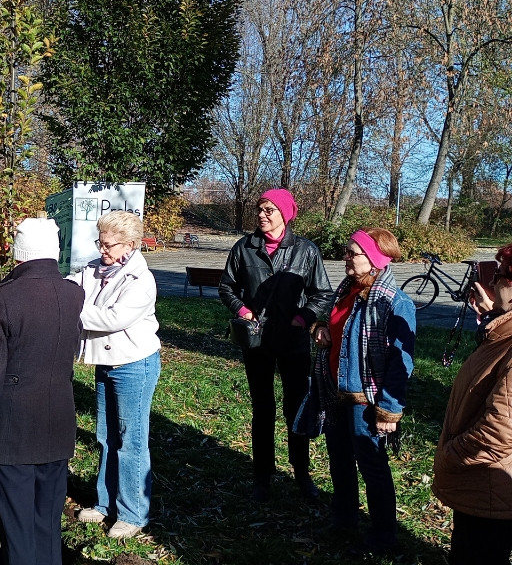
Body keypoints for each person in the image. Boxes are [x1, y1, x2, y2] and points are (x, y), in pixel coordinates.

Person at [0, 217, 85, 565]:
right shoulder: (73, 293)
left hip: (12, 428)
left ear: (18, 254)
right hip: (58, 423)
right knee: (47, 526)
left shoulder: (3, 298)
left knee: (17, 530)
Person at [218, 188, 332, 501]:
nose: (262, 215)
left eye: (269, 210)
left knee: (296, 408)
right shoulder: (244, 248)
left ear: (285, 214)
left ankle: (301, 473)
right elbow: (227, 287)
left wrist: (303, 318)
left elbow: (323, 293)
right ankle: (262, 475)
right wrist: (243, 310)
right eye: (260, 209)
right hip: (256, 342)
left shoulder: (306, 250)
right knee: (263, 408)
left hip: (293, 342)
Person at [309, 228, 415, 554]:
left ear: (375, 260)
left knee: (372, 466)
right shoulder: (347, 290)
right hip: (335, 390)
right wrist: (321, 328)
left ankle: (383, 536)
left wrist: (389, 409)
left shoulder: (395, 303)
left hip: (366, 400)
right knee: (339, 460)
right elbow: (335, 324)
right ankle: (344, 520)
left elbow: (402, 363)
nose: (346, 257)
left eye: (353, 252)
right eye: (348, 251)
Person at [66, 210, 161, 539]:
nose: (102, 249)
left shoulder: (140, 280)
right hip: (107, 363)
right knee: (107, 437)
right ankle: (106, 504)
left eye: (109, 245)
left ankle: (134, 513)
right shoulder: (94, 268)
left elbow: (111, 319)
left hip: (134, 364)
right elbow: (69, 286)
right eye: (100, 242)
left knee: (131, 441)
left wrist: (67, 308)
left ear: (131, 245)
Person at [433, 244, 512, 564]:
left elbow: (501, 430)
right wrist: (494, 316)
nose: (493, 283)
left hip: (490, 486)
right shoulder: (504, 331)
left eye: (501, 275)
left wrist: (451, 455)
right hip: (484, 486)